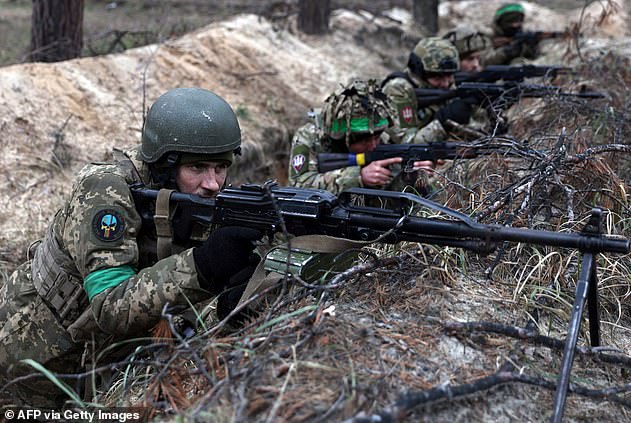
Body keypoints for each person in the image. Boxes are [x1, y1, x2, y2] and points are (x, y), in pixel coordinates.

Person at [0, 87, 261, 407]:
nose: (213, 184)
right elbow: (110, 305)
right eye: (198, 168)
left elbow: (172, 299)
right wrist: (203, 267)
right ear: (167, 165)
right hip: (34, 353)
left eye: (220, 168)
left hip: (108, 357)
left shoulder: (197, 194)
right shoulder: (106, 189)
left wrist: (224, 303)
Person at [288, 79, 434, 195]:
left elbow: (388, 197)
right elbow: (299, 185)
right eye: (364, 141)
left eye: (376, 137)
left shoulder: (379, 137)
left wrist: (409, 178)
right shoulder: (310, 137)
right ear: (341, 137)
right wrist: (358, 177)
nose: (373, 146)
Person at [381, 37, 471, 144]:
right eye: (438, 78)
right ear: (420, 73)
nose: (446, 84)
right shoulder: (398, 89)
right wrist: (441, 124)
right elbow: (407, 143)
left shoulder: (446, 86)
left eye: (450, 75)